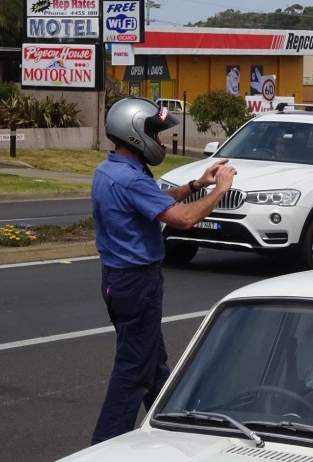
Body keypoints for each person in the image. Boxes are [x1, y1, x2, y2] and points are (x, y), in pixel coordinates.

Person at [90, 97, 237, 444]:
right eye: (154, 132)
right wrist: (220, 191)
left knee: (154, 366)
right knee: (134, 371)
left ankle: (174, 432)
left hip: (119, 281)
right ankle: (104, 447)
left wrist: (195, 185)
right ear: (135, 133)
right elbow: (183, 219)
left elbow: (155, 199)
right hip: (136, 282)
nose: (159, 140)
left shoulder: (111, 170)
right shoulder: (129, 179)